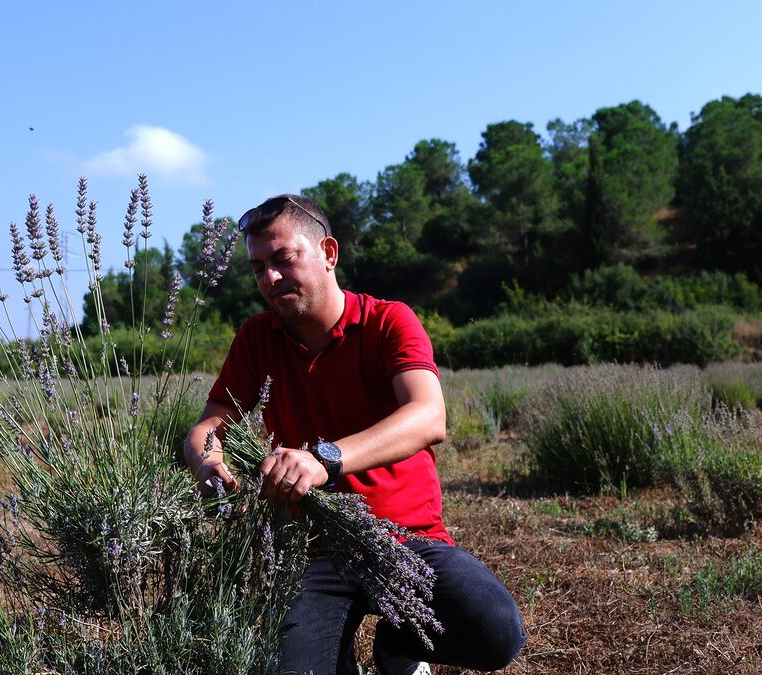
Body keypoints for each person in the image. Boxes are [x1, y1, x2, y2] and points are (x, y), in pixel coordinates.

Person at [181, 194, 525, 674]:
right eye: (258, 267)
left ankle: (401, 648)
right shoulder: (257, 338)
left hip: (406, 539)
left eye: (284, 259)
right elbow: (209, 424)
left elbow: (429, 416)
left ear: (328, 252)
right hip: (313, 553)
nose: (270, 278)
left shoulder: (388, 321)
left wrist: (323, 460)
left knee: (496, 632)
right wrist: (207, 461)